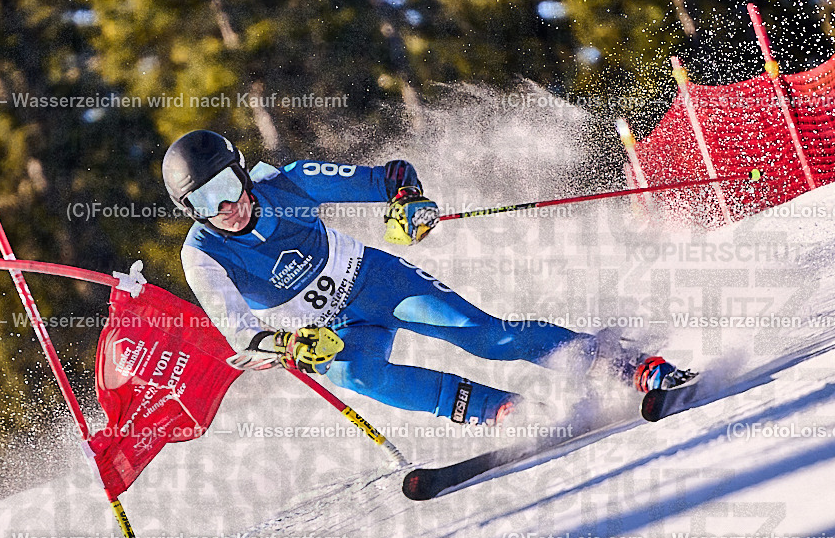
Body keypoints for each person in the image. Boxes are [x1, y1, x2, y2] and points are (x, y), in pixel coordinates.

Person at [162, 130, 693, 425]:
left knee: (489, 338)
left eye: (226, 186)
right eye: (204, 202)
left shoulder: (287, 183)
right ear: (191, 211)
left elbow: (390, 176)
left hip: (376, 282)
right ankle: (504, 412)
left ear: (242, 171)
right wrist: (288, 345)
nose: (225, 207)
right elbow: (239, 333)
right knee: (360, 377)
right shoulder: (202, 255)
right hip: (329, 334)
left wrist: (407, 202)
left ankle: (628, 365)